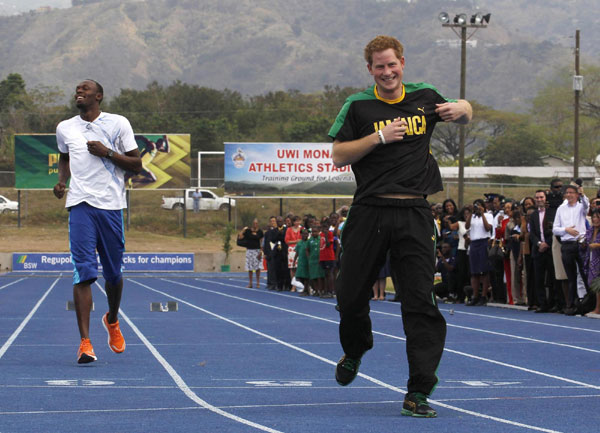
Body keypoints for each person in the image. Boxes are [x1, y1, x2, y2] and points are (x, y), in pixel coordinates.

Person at [328, 35, 472, 417]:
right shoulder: (357, 105)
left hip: (414, 212)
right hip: (369, 211)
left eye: (392, 64)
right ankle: (356, 348)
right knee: (349, 294)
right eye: (379, 66)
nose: (387, 72)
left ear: (402, 64)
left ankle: (418, 391)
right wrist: (379, 136)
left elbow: (463, 112)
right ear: (370, 69)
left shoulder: (424, 96)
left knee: (420, 302)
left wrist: (464, 108)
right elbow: (338, 154)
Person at [53, 80, 142, 364]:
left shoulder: (118, 124)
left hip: (111, 207)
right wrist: (61, 181)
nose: (79, 91)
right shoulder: (65, 127)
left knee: (113, 276)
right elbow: (64, 157)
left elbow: (136, 165)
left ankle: (112, 319)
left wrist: (108, 153)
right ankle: (85, 343)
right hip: (80, 205)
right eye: (77, 88)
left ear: (99, 96)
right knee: (84, 273)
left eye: (86, 89)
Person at [553, 183, 589, 315]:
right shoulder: (561, 209)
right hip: (567, 244)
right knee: (571, 276)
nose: (569, 195)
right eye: (567, 193)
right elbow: (555, 228)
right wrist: (566, 230)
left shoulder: (581, 207)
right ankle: (571, 304)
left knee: (584, 273)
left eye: (571, 192)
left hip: (580, 243)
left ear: (577, 194)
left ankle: (587, 302)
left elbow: (586, 205)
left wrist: (582, 193)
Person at [466, 199, 493, 306]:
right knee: (474, 271)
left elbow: (487, 228)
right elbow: (467, 226)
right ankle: (475, 295)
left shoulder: (488, 215)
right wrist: (471, 213)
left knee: (484, 271)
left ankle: (483, 295)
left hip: (483, 242)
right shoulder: (472, 216)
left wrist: (482, 214)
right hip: (474, 243)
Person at [582, 209, 600, 315]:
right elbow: (585, 243)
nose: (595, 219)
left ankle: (598, 309)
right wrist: (583, 244)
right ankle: (595, 307)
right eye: (593, 217)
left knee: (599, 285)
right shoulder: (590, 231)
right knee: (595, 285)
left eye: (598, 217)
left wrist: (597, 245)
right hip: (591, 260)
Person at [238, 218, 263, 288]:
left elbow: (261, 242)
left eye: (256, 223)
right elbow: (240, 237)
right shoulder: (248, 231)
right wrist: (243, 230)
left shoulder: (260, 232)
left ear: (258, 224)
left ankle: (258, 283)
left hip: (257, 250)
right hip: (249, 250)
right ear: (252, 224)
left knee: (258, 268)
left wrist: (261, 251)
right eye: (254, 223)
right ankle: (250, 283)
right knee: (250, 268)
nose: (255, 224)